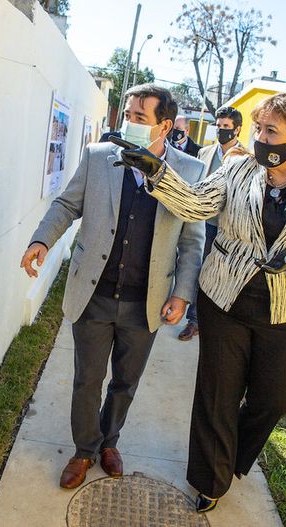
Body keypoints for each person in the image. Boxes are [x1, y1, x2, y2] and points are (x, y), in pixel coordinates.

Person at [110, 92, 286, 512]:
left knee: (277, 397)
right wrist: (158, 173)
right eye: (258, 129)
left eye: (270, 131)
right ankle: (211, 480)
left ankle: (233, 452)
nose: (259, 138)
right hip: (224, 297)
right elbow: (197, 203)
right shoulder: (238, 168)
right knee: (218, 393)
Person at [20, 83, 206, 490]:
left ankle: (110, 441)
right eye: (128, 115)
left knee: (125, 381)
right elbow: (68, 204)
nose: (130, 124)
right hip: (94, 293)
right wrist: (41, 240)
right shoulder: (99, 157)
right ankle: (85, 450)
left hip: (146, 302)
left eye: (140, 118)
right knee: (87, 379)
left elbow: (193, 242)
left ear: (165, 126)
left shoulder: (190, 172)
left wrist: (181, 293)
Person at [179, 106, 245, 341]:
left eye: (226, 127)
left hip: (227, 227)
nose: (221, 130)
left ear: (237, 129)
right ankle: (194, 321)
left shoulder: (246, 158)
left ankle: (217, 320)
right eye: (218, 125)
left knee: (219, 274)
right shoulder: (204, 153)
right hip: (202, 222)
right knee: (197, 269)